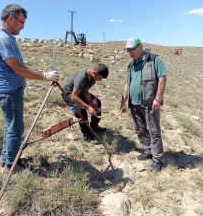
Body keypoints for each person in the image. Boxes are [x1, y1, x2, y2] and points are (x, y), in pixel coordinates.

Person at [0, 4, 59, 170]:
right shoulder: (3, 39)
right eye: (21, 22)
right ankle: (13, 165)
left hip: (6, 88)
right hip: (9, 89)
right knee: (16, 127)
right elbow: (18, 68)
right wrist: (44, 76)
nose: (23, 26)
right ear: (11, 18)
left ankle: (7, 159)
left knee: (10, 125)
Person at [120, 37, 167, 171]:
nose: (130, 53)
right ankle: (148, 150)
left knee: (154, 131)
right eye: (128, 50)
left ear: (140, 46)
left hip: (149, 103)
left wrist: (158, 99)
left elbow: (162, 78)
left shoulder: (154, 60)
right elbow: (127, 85)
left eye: (132, 49)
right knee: (140, 130)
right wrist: (123, 103)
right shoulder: (130, 65)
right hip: (134, 104)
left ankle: (157, 159)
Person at [62, 64, 109, 144]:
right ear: (94, 73)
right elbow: (74, 97)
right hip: (69, 94)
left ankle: (94, 127)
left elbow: (84, 91)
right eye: (100, 78)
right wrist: (88, 107)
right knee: (80, 109)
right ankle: (86, 134)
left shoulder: (93, 78)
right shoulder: (82, 77)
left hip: (79, 93)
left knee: (97, 102)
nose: (100, 80)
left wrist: (91, 102)